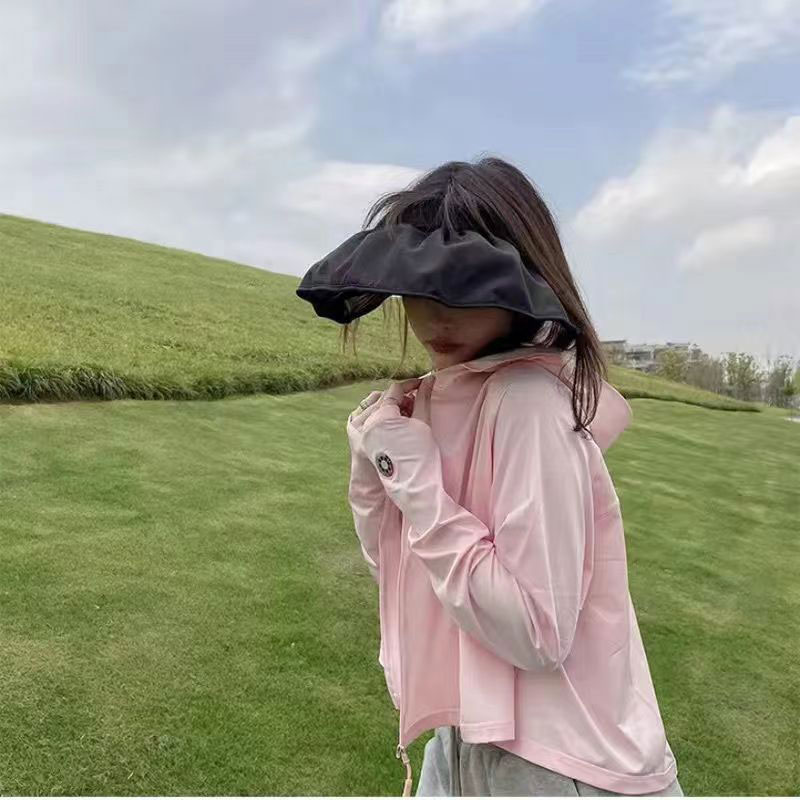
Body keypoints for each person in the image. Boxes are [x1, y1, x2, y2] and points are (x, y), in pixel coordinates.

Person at [297, 157, 684, 797]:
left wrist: (414, 480)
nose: (437, 313)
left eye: (467, 284)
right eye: (421, 284)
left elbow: (536, 630)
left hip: (559, 764)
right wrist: (375, 462)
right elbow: (401, 571)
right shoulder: (448, 397)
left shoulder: (529, 403)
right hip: (469, 731)